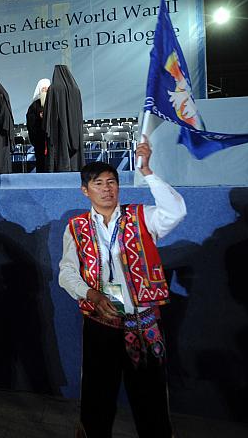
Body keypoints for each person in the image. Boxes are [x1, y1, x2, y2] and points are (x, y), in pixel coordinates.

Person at [58, 139, 186, 438]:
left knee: (150, 400)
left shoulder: (142, 216)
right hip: (100, 322)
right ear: (85, 190)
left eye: (112, 182)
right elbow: (66, 272)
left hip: (143, 324)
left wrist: (147, 171)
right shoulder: (76, 227)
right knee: (96, 398)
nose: (107, 188)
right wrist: (90, 293)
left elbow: (176, 211)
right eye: (98, 183)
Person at [44, 65, 84, 172]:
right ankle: (75, 166)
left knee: (61, 144)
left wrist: (47, 125)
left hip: (59, 127)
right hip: (75, 126)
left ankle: (62, 167)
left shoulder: (53, 89)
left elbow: (49, 111)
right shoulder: (76, 89)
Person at [26, 78, 50, 173]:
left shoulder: (54, 104)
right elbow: (30, 122)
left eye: (47, 89)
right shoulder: (34, 106)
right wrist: (38, 117)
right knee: (40, 160)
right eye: (43, 89)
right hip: (39, 137)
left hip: (51, 139)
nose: (45, 91)